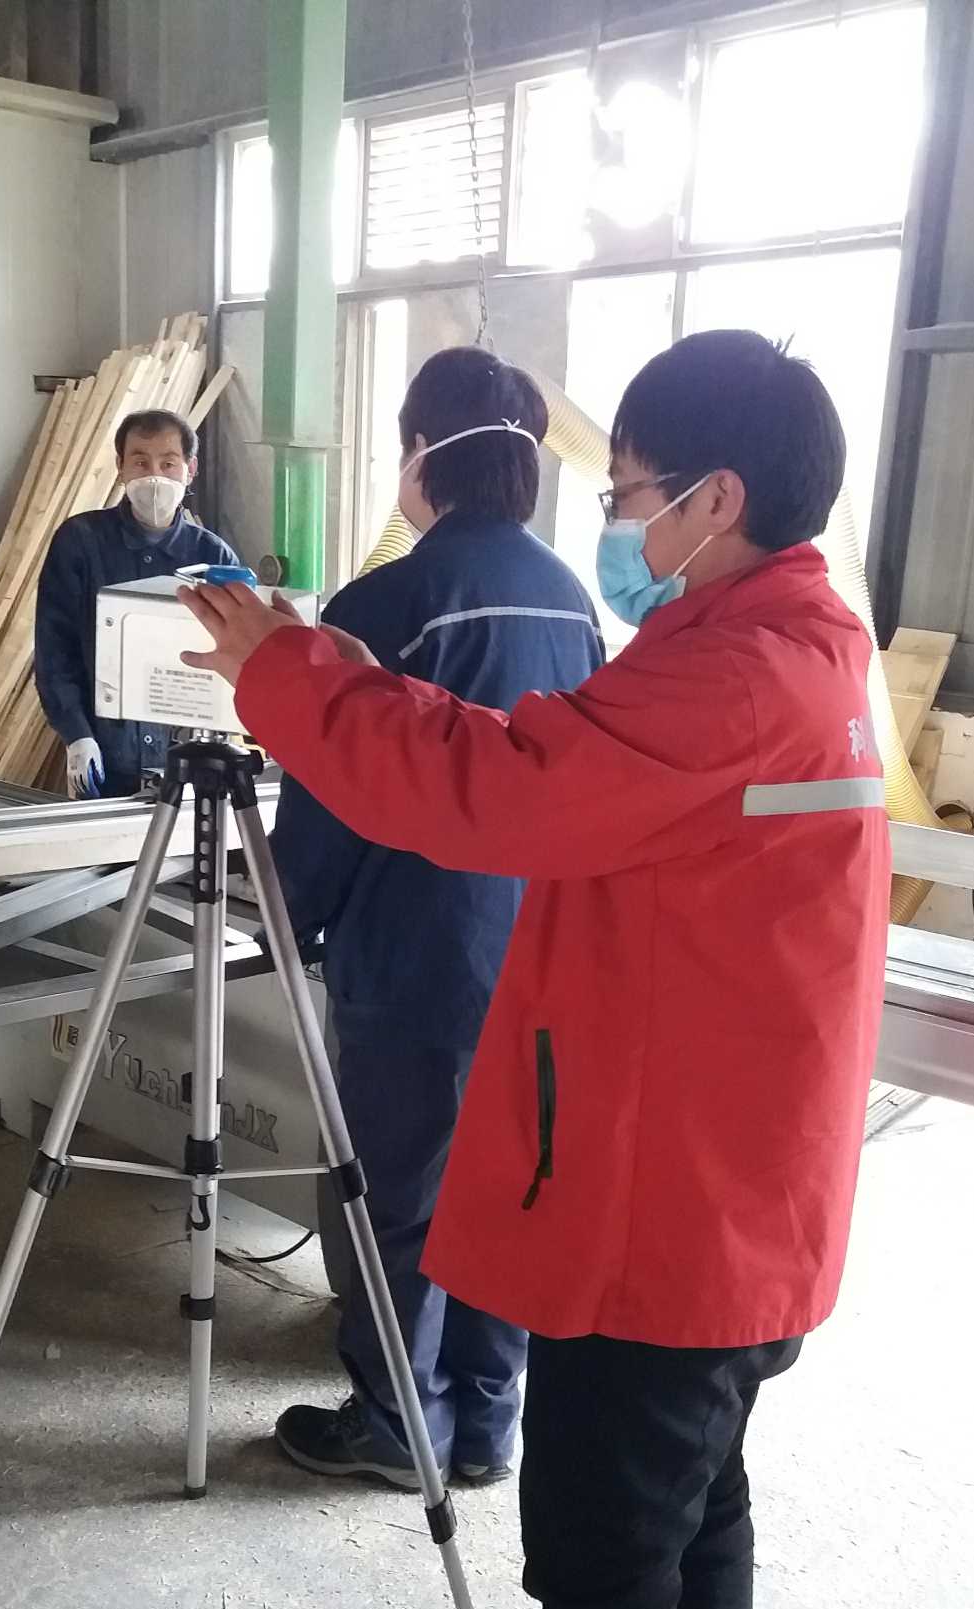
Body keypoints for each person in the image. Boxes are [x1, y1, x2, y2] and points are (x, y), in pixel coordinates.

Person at [182, 330, 890, 1609]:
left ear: (718, 497)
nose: (621, 523)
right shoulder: (791, 642)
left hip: (676, 1186)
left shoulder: (735, 673)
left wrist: (288, 674)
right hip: (736, 1171)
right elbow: (552, 758)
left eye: (635, 493)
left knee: (604, 1543)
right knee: (693, 1495)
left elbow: (501, 791)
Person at [269, 347, 602, 1493]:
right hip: (536, 950)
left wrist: (285, 913)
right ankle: (487, 1424)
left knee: (399, 1201)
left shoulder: (384, 604)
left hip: (415, 951)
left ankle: (397, 1423)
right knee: (509, 1189)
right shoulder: (573, 601)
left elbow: (334, 792)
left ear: (421, 455)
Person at [35, 409, 239, 797]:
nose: (154, 476)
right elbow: (55, 650)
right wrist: (77, 735)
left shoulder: (214, 558)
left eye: (168, 463)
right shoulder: (80, 542)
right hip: (105, 754)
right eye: (141, 462)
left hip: (189, 758)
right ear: (121, 468)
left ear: (190, 469)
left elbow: (234, 659)